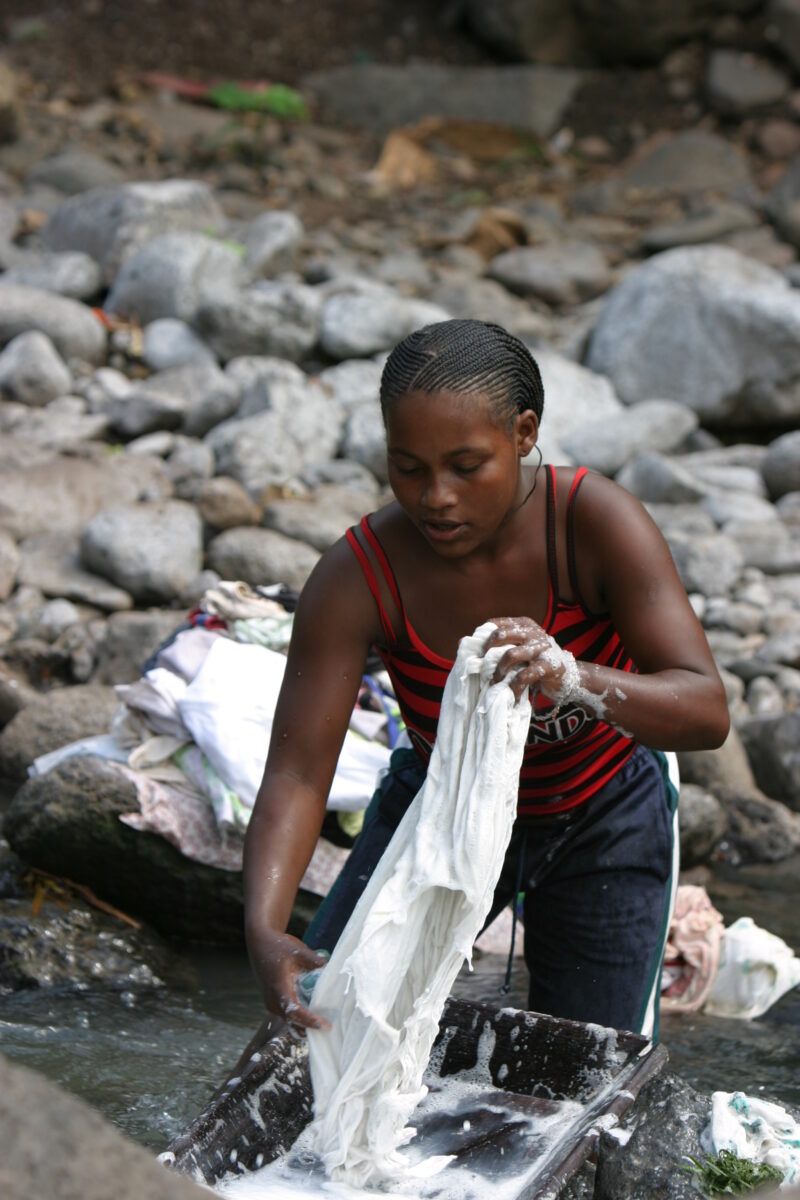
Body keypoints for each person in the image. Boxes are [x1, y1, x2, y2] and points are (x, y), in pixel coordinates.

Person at [243, 319, 729, 1043]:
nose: (435, 496)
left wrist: (572, 675)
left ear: (524, 433)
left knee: (589, 1068)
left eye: (466, 466)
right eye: (408, 468)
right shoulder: (360, 576)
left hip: (605, 812)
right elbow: (298, 772)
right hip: (442, 803)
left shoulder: (593, 525)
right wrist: (263, 928)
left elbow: (705, 708)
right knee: (330, 1018)